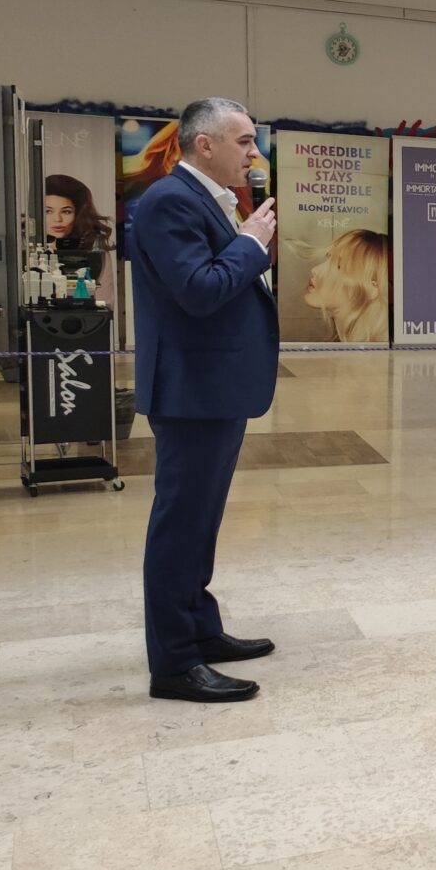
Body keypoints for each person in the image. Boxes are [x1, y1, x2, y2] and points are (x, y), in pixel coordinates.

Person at [127, 97, 280, 703]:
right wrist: (250, 243)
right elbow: (199, 290)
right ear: (205, 144)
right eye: (244, 141)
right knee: (180, 524)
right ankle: (173, 663)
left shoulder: (206, 199)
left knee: (202, 521)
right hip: (191, 389)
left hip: (215, 387)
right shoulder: (169, 201)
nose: (254, 154)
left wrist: (246, 240)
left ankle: (199, 627)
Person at [303, 229, 391, 343]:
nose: (315, 270)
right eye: (328, 258)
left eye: (339, 265)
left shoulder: (368, 351)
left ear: (372, 288)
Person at [44, 173, 116, 304]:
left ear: (78, 214)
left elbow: (104, 304)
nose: (57, 219)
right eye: (48, 211)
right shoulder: (25, 246)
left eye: (66, 211)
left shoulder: (94, 249)